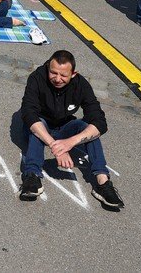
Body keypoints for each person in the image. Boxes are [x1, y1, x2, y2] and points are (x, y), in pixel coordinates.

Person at [17, 50, 124, 209]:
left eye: (63, 75)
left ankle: (103, 182)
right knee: (37, 128)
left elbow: (99, 121)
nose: (57, 79)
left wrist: (70, 143)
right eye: (53, 73)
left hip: (65, 127)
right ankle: (31, 175)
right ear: (48, 67)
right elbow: (28, 114)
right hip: (41, 124)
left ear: (73, 74)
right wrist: (57, 147)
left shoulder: (81, 85)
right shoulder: (37, 78)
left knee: (87, 128)